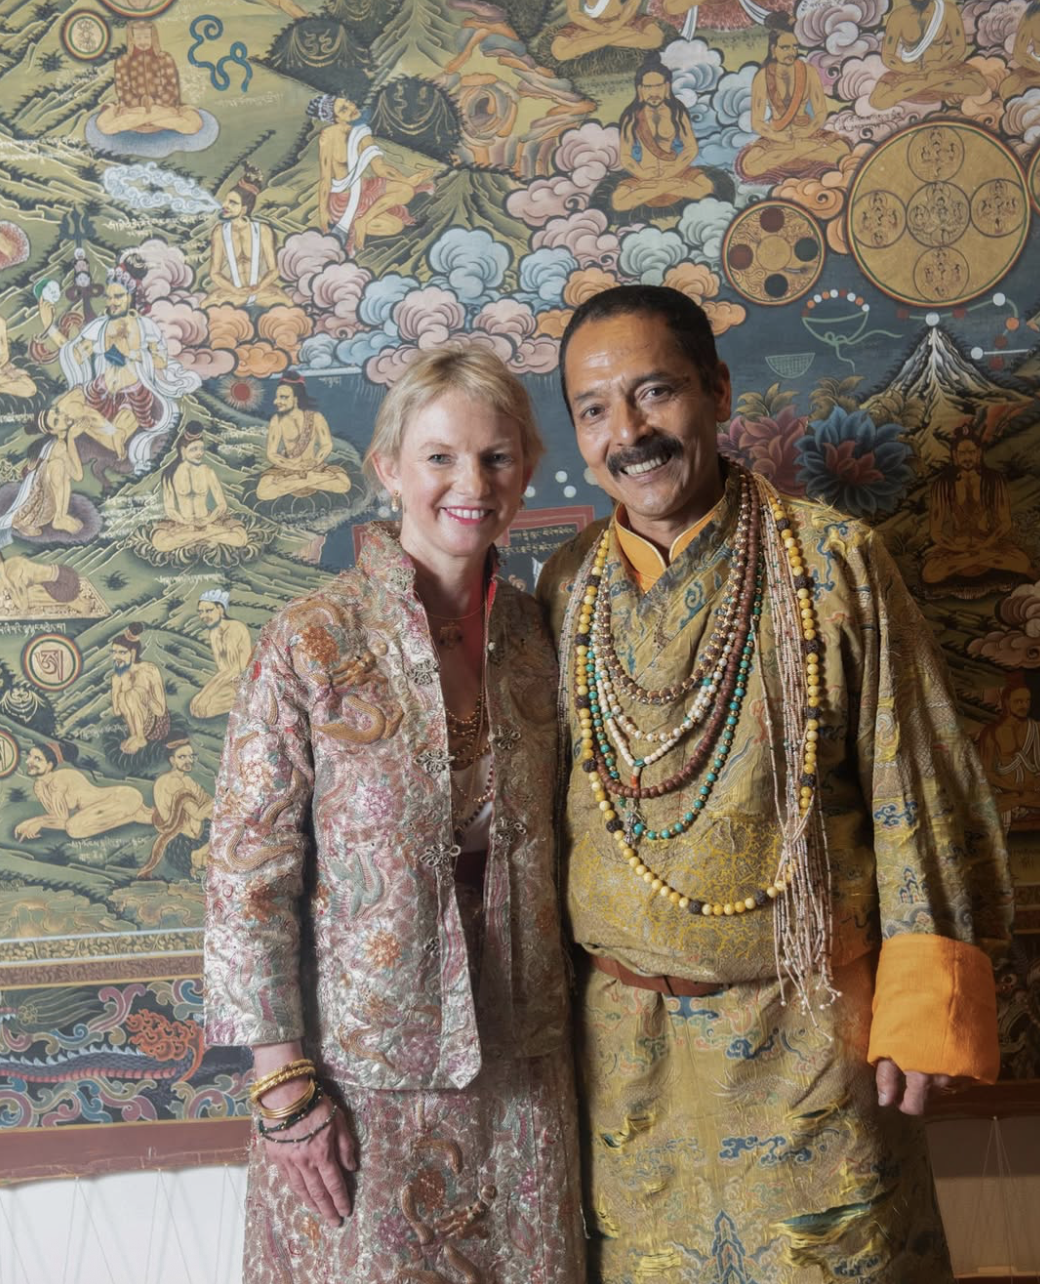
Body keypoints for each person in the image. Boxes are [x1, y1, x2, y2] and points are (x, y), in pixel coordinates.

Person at [535, 284, 1013, 1283]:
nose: (626, 432)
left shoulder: (833, 563)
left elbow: (910, 782)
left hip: (808, 1044)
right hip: (625, 1056)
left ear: (714, 390)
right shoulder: (565, 587)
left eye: (653, 391)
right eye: (592, 408)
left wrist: (918, 1014)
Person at [205, 346, 585, 1282]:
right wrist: (285, 1086)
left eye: (497, 458)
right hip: (361, 1077)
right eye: (441, 457)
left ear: (527, 470)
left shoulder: (543, 637)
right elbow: (246, 879)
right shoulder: (311, 641)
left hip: (527, 1066)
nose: (472, 483)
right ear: (389, 471)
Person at [309, 94, 436, 254]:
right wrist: (323, 212)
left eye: (349, 103)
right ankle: (356, 226)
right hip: (345, 201)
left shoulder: (361, 132)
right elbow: (326, 178)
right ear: (335, 118)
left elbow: (380, 167)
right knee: (395, 226)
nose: (352, 108)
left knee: (406, 190)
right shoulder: (328, 136)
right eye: (343, 109)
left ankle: (364, 221)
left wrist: (406, 180)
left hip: (366, 188)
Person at [920, 427, 1034, 589]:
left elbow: (1005, 523)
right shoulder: (943, 484)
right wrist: (955, 547)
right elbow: (936, 532)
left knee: (1021, 561)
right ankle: (980, 559)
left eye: (971, 452)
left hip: (988, 543)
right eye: (962, 453)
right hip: (957, 548)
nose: (967, 458)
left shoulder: (994, 480)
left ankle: (972, 559)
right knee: (929, 574)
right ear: (955, 455)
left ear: (979, 453)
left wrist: (986, 543)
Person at [736, 20, 850, 180]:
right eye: (785, 47)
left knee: (843, 150)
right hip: (778, 136)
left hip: (807, 132)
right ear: (773, 49)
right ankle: (802, 152)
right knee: (748, 165)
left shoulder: (808, 71)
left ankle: (793, 153)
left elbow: (820, 112)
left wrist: (808, 131)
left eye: (794, 47)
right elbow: (757, 122)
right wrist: (779, 137)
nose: (791, 52)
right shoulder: (762, 77)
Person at [613, 55, 712, 211]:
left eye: (658, 86)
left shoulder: (677, 112)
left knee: (706, 187)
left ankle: (658, 188)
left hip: (675, 171)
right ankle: (666, 186)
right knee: (618, 202)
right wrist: (643, 175)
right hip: (645, 175)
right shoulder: (631, 115)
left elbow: (691, 148)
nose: (653, 92)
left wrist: (672, 171)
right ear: (640, 89)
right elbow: (626, 156)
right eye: (648, 87)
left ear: (667, 87)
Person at [14, 742, 153, 841]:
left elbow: (62, 820)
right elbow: (54, 815)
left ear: (50, 765)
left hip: (123, 797)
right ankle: (140, 814)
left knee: (73, 829)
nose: (28, 761)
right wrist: (31, 822)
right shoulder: (40, 786)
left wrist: (37, 823)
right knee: (158, 820)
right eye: (30, 756)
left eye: (37, 759)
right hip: (112, 806)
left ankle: (133, 816)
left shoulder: (59, 780)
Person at [202, 166, 294, 309]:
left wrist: (257, 288)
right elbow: (215, 273)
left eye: (232, 203)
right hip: (232, 292)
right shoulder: (219, 232)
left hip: (260, 290)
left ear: (244, 209)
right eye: (227, 201)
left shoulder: (263, 230)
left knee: (289, 305)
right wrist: (236, 291)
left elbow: (274, 270)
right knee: (205, 307)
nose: (225, 205)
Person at [870, 0, 987, 110]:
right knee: (877, 101)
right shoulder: (898, 16)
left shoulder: (948, 11)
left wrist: (939, 64)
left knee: (979, 85)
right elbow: (888, 55)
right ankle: (932, 81)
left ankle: (919, 85)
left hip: (942, 66)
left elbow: (959, 47)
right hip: (910, 71)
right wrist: (905, 68)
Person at [150, 427, 249, 555]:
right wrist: (184, 521)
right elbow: (170, 509)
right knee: (159, 542)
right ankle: (205, 535)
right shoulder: (170, 474)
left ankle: (195, 536)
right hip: (183, 522)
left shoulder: (207, 471)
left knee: (241, 538)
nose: (199, 453)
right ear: (183, 450)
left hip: (207, 520)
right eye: (194, 449)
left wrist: (208, 519)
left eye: (201, 449)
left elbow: (222, 505)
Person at [95, 19, 203, 136]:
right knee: (103, 125)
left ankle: (147, 120)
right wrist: (140, 104)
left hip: (162, 108)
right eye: (139, 38)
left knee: (195, 124)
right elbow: (123, 90)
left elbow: (172, 89)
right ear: (132, 39)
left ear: (153, 38)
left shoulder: (164, 59)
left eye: (146, 37)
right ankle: (151, 119)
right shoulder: (123, 61)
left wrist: (155, 103)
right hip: (134, 110)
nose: (143, 41)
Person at [255, 375, 352, 502]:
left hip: (313, 466)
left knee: (345, 485)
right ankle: (312, 480)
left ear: (296, 398)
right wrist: (293, 466)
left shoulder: (316, 417)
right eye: (277, 397)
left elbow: (327, 445)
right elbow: (272, 453)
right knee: (262, 492)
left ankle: (298, 481)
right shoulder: (277, 420)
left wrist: (315, 462)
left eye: (283, 397)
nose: (276, 401)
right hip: (288, 467)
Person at [143, 738, 212, 879]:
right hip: (182, 844)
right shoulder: (171, 782)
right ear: (172, 760)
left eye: (191, 756)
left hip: (200, 835)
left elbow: (208, 806)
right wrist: (223, 797)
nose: (188, 761)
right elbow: (198, 814)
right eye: (182, 757)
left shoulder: (187, 781)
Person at [977, 679, 1040, 832]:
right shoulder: (991, 733)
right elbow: (985, 772)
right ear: (1006, 702)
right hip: (1004, 791)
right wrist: (1013, 788)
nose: (1024, 706)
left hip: (1032, 791)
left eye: (1027, 701)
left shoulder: (1036, 729)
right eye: (1018, 701)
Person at [188, 589, 252, 719]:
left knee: (205, 709)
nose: (203, 616)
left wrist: (207, 695)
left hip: (245, 683)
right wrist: (204, 694)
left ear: (221, 610)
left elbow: (236, 670)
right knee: (195, 706)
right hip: (229, 681)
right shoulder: (214, 633)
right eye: (200, 612)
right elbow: (224, 669)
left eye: (208, 610)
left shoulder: (235, 628)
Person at [111, 623, 169, 754]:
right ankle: (135, 735)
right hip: (135, 723)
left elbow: (160, 710)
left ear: (132, 652)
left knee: (133, 694)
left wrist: (144, 696)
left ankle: (140, 737)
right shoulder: (117, 676)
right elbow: (117, 712)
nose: (116, 657)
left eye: (121, 652)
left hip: (157, 724)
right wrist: (117, 689)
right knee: (125, 695)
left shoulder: (149, 670)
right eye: (114, 652)